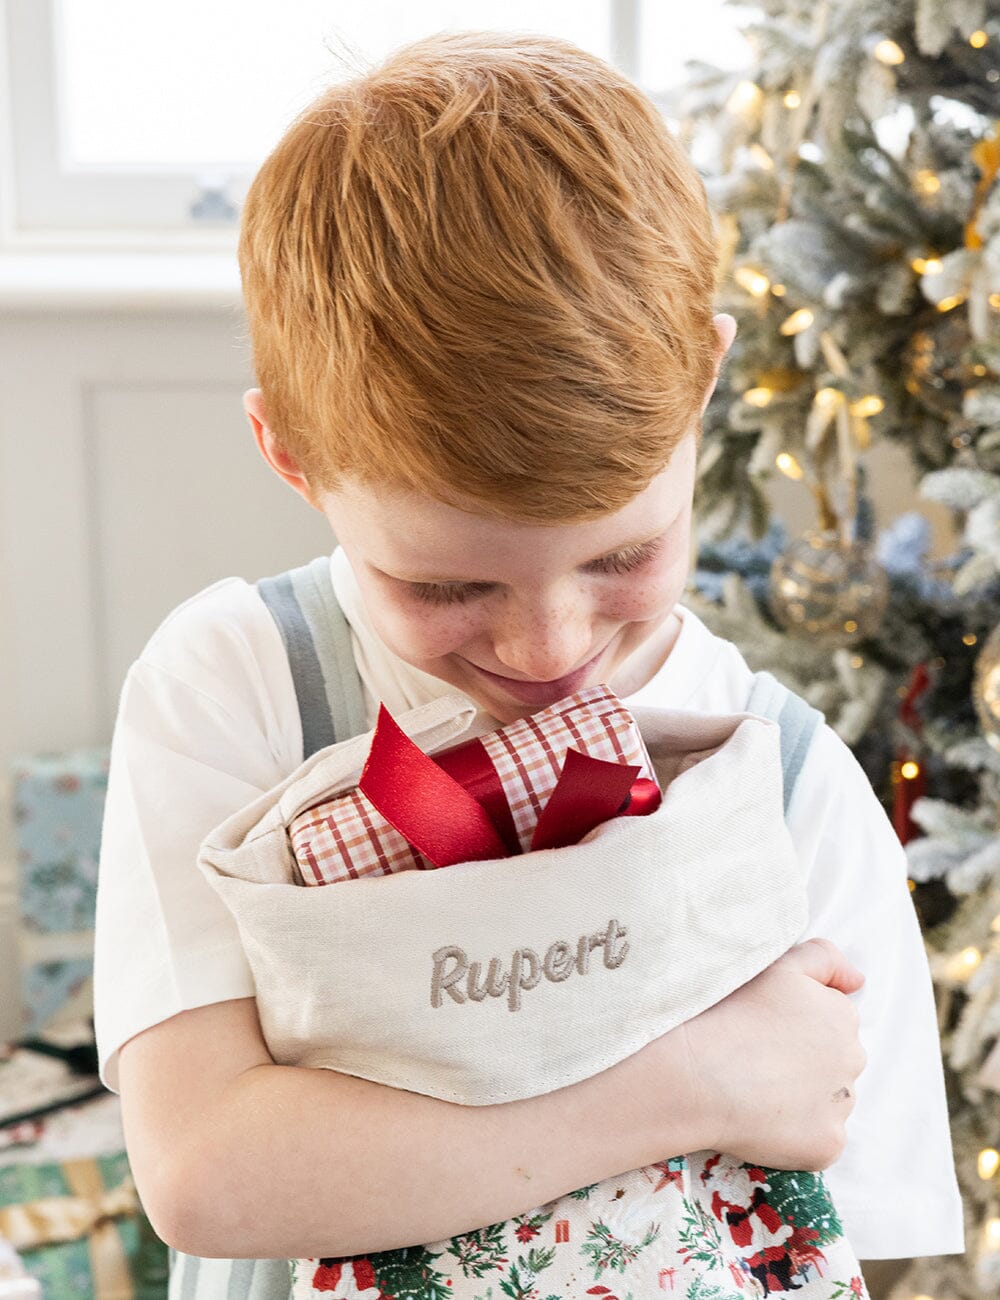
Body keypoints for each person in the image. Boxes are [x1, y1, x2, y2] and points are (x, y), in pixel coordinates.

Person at [93, 28, 964, 1295]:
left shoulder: (787, 779)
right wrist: (695, 1083)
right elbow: (213, 1174)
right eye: (446, 584)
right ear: (290, 457)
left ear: (707, 382)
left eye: (623, 555)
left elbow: (847, 1231)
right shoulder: (238, 682)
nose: (549, 648)